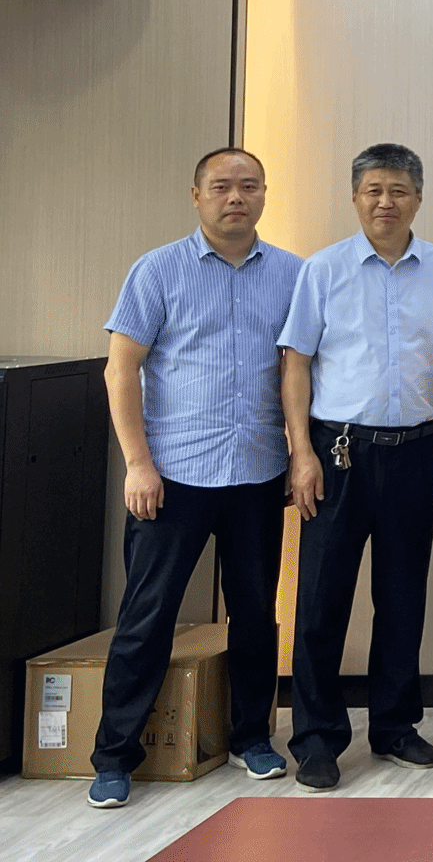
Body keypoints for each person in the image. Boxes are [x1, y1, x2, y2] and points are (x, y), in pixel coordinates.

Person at [89, 149, 303, 811]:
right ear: (196, 195)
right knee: (146, 617)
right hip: (172, 475)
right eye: (221, 186)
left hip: (258, 472)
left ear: (264, 194)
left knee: (255, 616)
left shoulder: (293, 273)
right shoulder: (157, 270)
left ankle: (252, 737)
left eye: (248, 186)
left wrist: (299, 453)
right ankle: (114, 757)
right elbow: (120, 370)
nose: (235, 197)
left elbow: (299, 371)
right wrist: (138, 463)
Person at [279, 143, 433, 790]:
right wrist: (300, 453)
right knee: (321, 601)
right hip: (337, 453)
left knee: (403, 596)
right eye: (373, 190)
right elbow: (296, 363)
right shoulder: (323, 269)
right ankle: (316, 738)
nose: (385, 202)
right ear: (356, 197)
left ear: (418, 197)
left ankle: (394, 726)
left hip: (416, 451)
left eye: (398, 190)